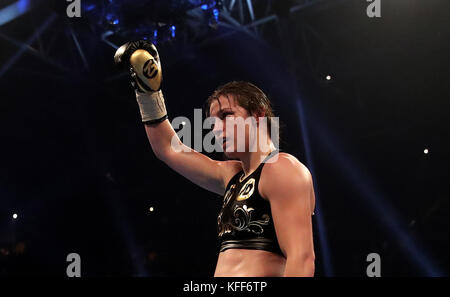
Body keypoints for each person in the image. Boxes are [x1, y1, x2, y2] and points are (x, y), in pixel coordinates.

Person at [114, 40, 316, 277]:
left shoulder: (283, 168)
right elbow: (167, 149)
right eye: (213, 122)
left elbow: (302, 259)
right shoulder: (231, 175)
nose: (217, 129)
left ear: (259, 115)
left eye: (227, 115)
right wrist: (148, 90)